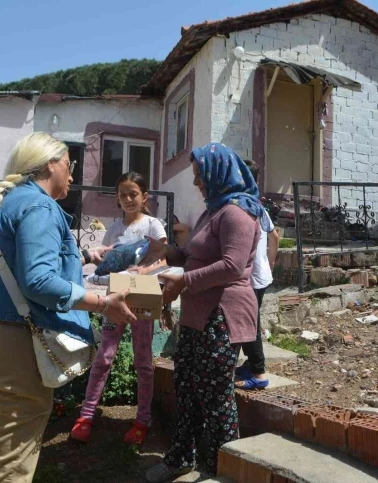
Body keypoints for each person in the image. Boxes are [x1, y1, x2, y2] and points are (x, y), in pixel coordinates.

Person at [0, 132, 136, 483]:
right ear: (51, 164)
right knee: (7, 467)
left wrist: (81, 256)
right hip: (10, 345)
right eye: (70, 166)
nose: (71, 176)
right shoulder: (39, 206)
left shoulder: (5, 204)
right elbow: (37, 281)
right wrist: (103, 304)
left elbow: (8, 263)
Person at [141, 143, 266, 482]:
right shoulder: (214, 211)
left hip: (221, 317)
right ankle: (181, 458)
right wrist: (171, 253)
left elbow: (231, 266)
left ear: (219, 173)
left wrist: (184, 280)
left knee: (215, 398)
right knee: (186, 388)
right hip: (199, 314)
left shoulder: (238, 213)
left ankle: (220, 470)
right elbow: (198, 255)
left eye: (200, 176)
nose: (197, 183)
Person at [70, 172, 167, 445]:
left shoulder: (153, 225)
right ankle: (86, 415)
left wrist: (144, 269)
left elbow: (165, 258)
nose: (128, 199)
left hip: (143, 297)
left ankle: (143, 419)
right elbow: (108, 260)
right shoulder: (114, 228)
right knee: (104, 356)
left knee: (143, 360)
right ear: (117, 198)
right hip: (115, 297)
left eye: (133, 194)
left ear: (144, 196)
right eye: (122, 195)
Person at [235, 159, 280, 390]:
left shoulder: (243, 205)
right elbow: (275, 237)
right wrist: (269, 264)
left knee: (248, 325)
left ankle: (259, 374)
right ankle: (251, 365)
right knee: (248, 323)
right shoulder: (258, 206)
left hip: (250, 277)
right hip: (260, 276)